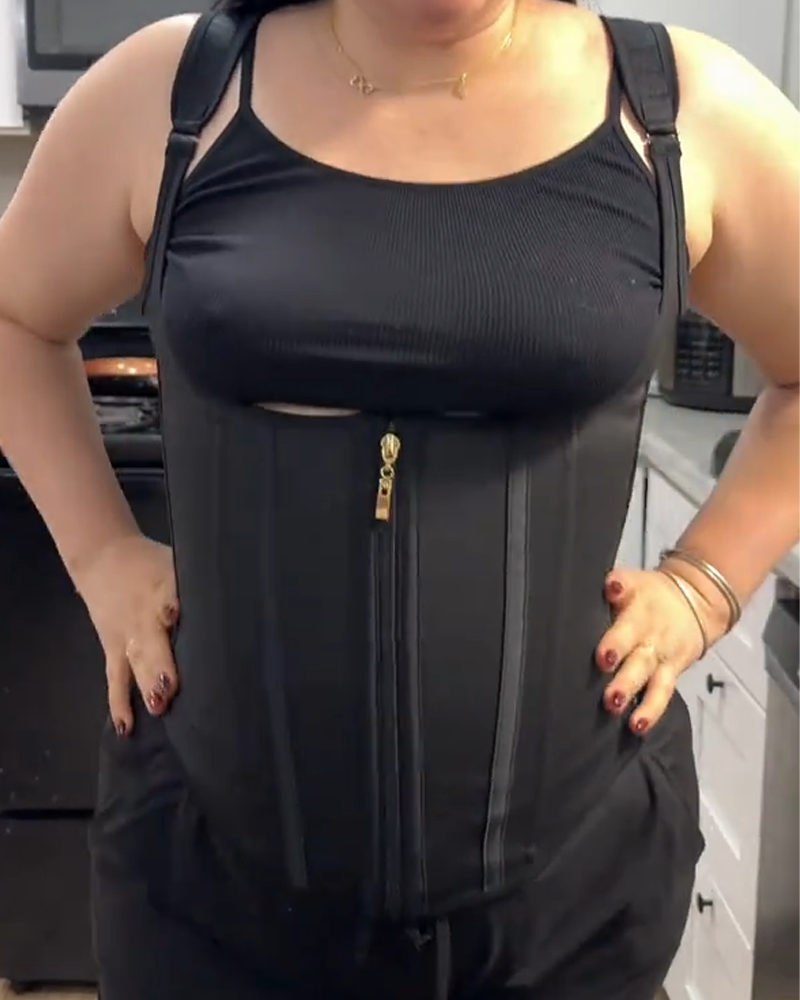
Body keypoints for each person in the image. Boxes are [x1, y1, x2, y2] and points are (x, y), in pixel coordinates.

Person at [1, 0, 799, 996]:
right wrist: (100, 557)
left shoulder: (676, 108)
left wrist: (704, 583)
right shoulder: (174, 92)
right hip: (209, 895)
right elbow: (13, 317)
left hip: (566, 910)